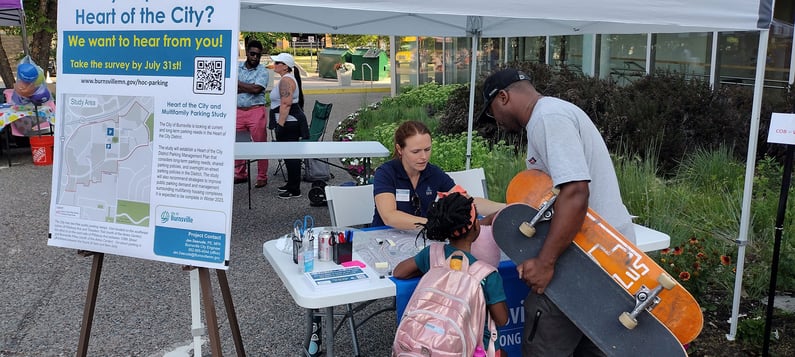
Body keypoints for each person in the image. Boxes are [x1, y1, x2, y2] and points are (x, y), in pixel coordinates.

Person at [478, 68, 636, 356]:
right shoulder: (553, 113)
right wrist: (505, 217)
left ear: (503, 98)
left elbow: (575, 192)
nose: (497, 122)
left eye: (492, 113)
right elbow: (552, 200)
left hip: (588, 261)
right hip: (605, 259)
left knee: (544, 338)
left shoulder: (548, 119)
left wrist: (545, 262)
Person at [392, 192, 509, 353]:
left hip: (429, 341)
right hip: (474, 348)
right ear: (476, 226)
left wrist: (431, 270)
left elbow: (399, 272)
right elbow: (502, 320)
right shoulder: (486, 275)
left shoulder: (432, 255)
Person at [371, 120, 504, 230]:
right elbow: (389, 216)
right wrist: (433, 225)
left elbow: (467, 201)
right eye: (416, 151)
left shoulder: (433, 173)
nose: (423, 157)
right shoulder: (386, 173)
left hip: (420, 236)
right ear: (400, 149)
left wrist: (507, 207)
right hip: (383, 237)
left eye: (427, 149)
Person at [269, 53, 309, 199]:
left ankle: (294, 189)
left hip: (289, 123)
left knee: (292, 156)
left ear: (285, 66)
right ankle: (291, 184)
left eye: (277, 62)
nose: (275, 65)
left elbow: (286, 104)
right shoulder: (286, 79)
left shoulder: (286, 81)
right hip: (289, 122)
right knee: (288, 155)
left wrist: (280, 125)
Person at [235, 40, 270, 188]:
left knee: (260, 144)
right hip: (237, 111)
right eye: (252, 54)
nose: (255, 57)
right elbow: (229, 84)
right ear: (247, 53)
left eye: (258, 55)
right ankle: (240, 173)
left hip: (255, 111)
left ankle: (262, 176)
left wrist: (238, 85)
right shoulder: (237, 67)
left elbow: (257, 89)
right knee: (238, 144)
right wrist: (248, 87)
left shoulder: (263, 71)